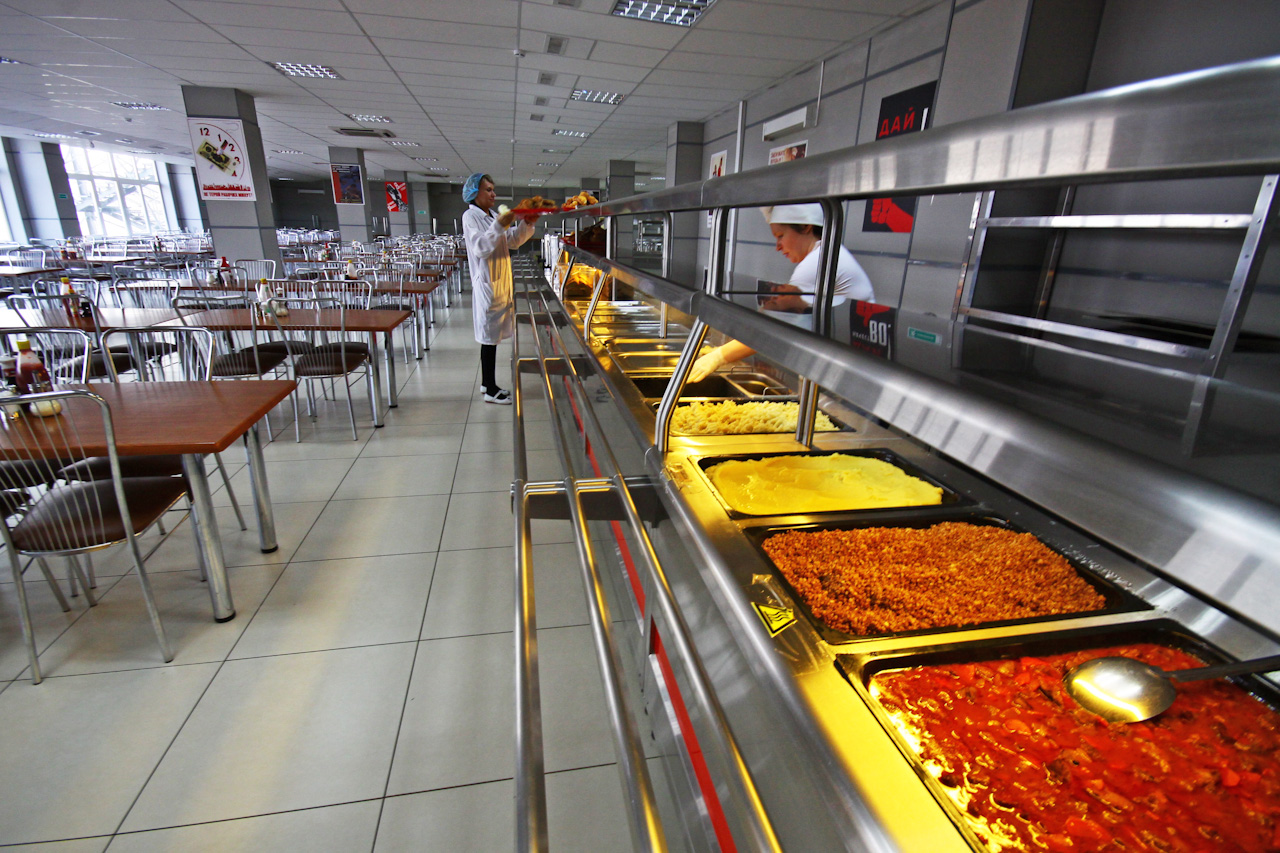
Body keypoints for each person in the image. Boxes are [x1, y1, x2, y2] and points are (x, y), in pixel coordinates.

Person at [690, 203, 873, 381]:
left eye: (780, 235)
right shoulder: (826, 255)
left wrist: (719, 356)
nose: (777, 246)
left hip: (851, 372)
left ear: (806, 227)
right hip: (847, 365)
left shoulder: (817, 263)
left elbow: (771, 329)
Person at [462, 172, 538, 404]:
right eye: (488, 190)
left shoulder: (492, 216)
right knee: (488, 337)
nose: (493, 194)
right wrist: (500, 224)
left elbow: (512, 240)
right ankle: (491, 389)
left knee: (491, 336)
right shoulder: (470, 216)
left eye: (493, 189)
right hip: (488, 283)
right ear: (474, 192)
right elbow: (481, 247)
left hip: (499, 282)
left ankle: (487, 383)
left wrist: (526, 223)